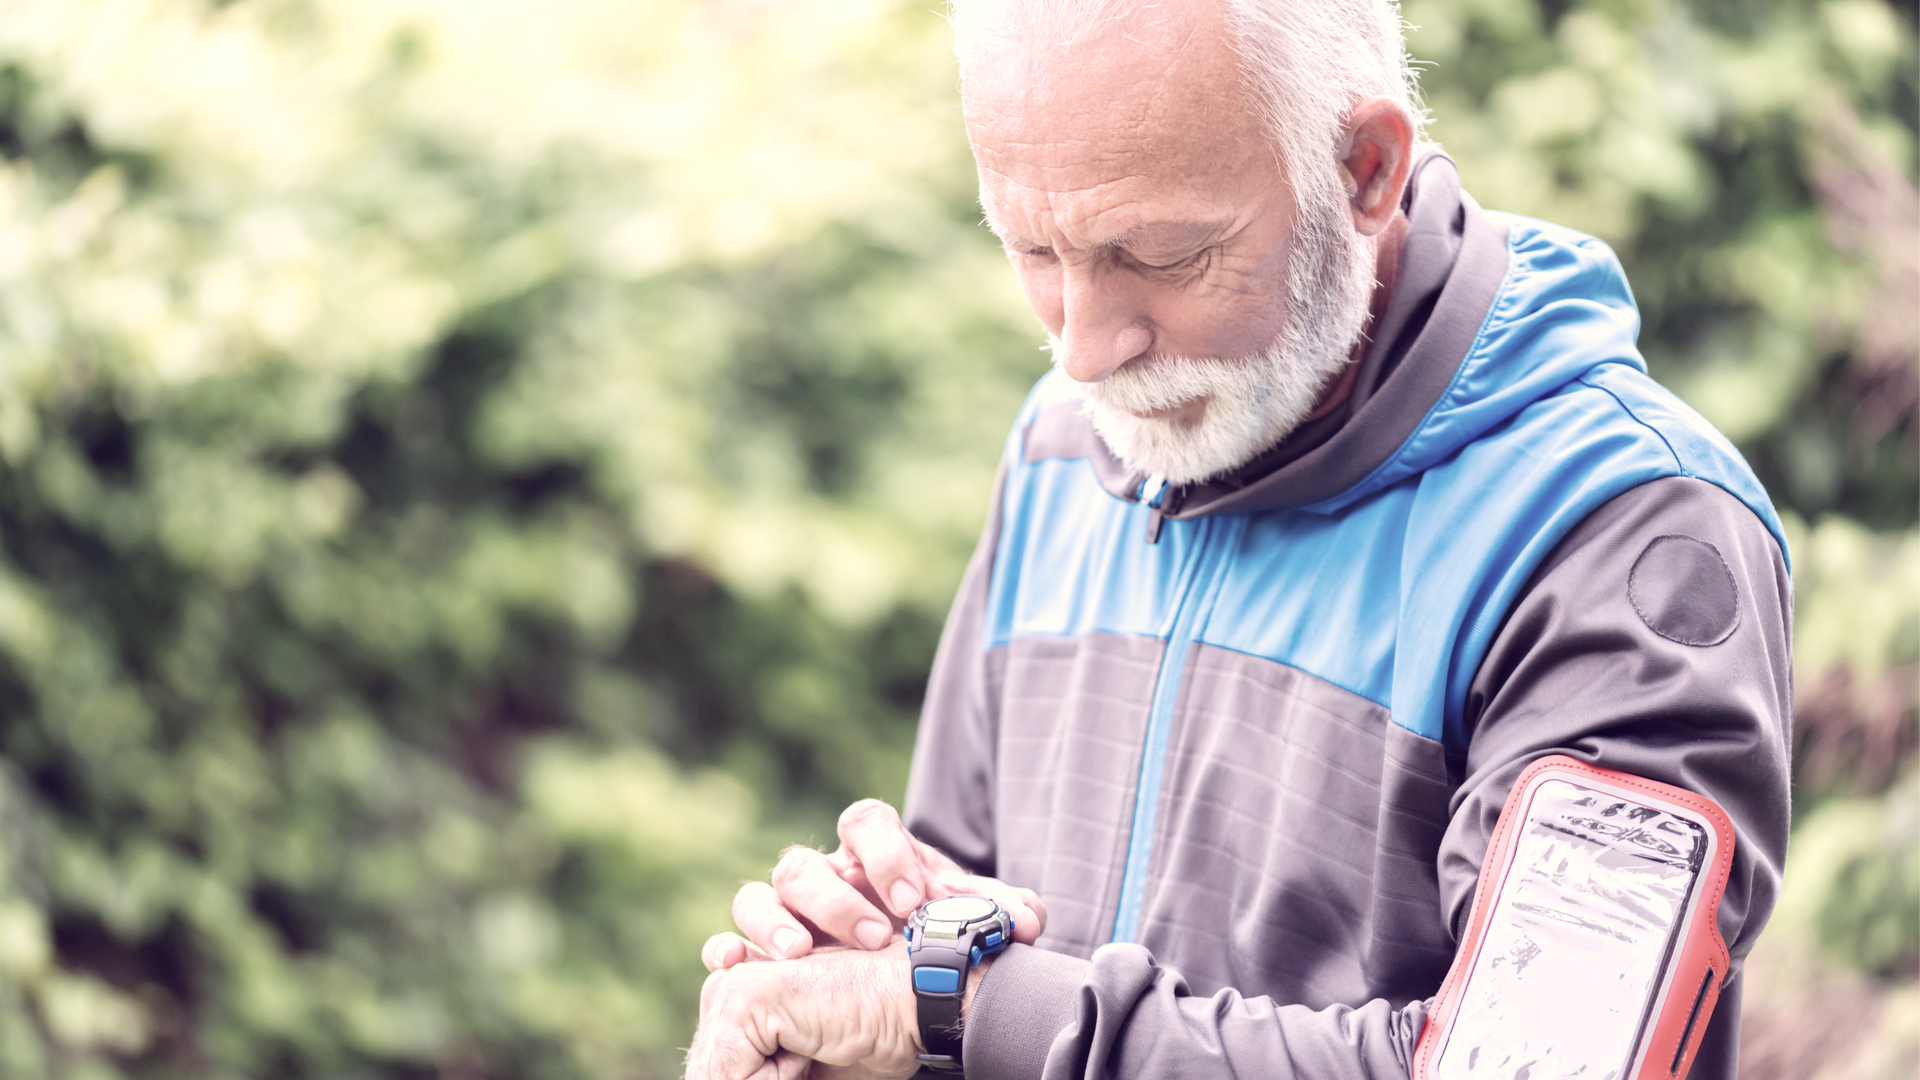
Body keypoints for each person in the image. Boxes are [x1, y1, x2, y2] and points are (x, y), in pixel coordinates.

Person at [685, 0, 1793, 1076]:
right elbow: (960, 967)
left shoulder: (1628, 541)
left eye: (1159, 255)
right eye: (1029, 246)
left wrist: (971, 1009)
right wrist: (868, 978)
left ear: (1364, 168)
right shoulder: (1063, 452)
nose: (1082, 348)